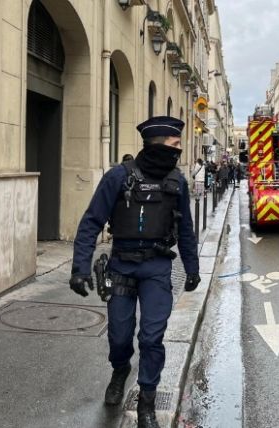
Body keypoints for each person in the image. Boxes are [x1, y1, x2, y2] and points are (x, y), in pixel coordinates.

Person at [69, 116, 201, 428]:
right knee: (119, 335)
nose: (178, 151)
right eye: (175, 145)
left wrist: (193, 268)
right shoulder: (118, 177)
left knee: (152, 337)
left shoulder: (176, 181)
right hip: (122, 265)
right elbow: (91, 222)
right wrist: (79, 268)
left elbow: (185, 229)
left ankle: (147, 402)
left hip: (156, 267)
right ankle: (120, 369)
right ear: (158, 144)